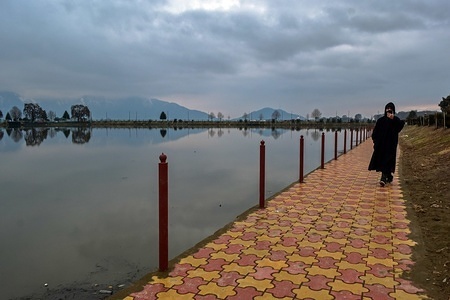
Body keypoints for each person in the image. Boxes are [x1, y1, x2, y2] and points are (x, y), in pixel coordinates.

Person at [368, 102, 405, 186]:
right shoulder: (381, 121)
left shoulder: (395, 120)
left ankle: (383, 178)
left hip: (391, 145)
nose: (388, 110)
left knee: (388, 160)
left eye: (390, 109)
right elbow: (375, 133)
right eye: (387, 108)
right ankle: (388, 176)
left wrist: (393, 119)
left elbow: (399, 127)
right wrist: (376, 142)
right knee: (383, 160)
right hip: (381, 145)